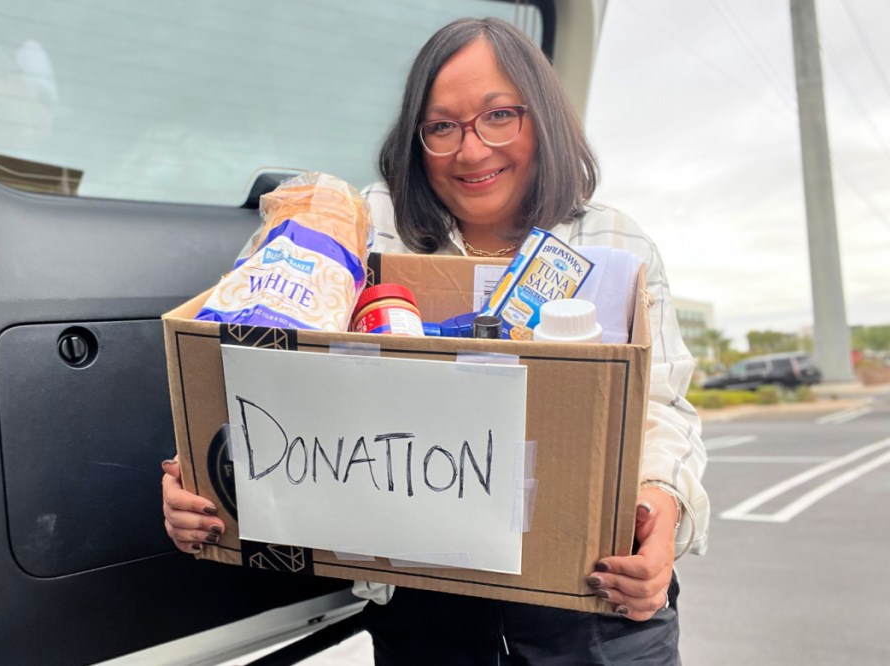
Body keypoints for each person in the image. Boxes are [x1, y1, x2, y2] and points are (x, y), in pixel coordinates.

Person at [162, 16, 708, 664]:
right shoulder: (370, 227)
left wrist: (661, 510)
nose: (472, 150)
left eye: (499, 116)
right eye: (442, 126)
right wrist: (205, 474)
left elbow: (662, 410)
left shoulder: (615, 241)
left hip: (593, 597)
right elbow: (256, 348)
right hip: (423, 597)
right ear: (416, 139)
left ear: (544, 118)